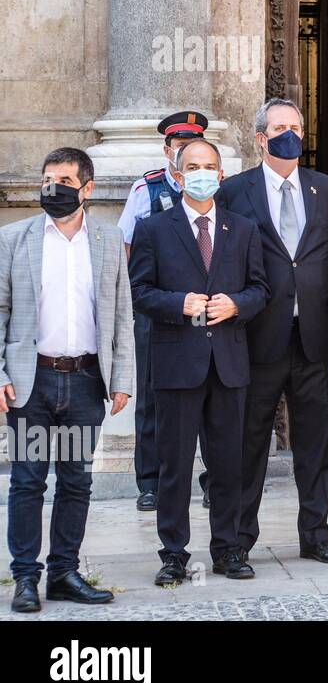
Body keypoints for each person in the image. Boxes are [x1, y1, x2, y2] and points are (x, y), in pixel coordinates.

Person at [129, 138, 269, 583]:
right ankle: (173, 553)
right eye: (193, 166)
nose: (202, 173)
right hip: (176, 366)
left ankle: (229, 549)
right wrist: (179, 304)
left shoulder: (243, 229)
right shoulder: (154, 229)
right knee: (174, 465)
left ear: (221, 174)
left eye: (209, 165)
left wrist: (237, 306)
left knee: (229, 464)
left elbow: (261, 289)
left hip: (228, 366)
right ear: (178, 171)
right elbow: (140, 291)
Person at [0, 149, 133, 612]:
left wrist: (122, 379)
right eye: (46, 178)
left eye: (63, 179)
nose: (52, 187)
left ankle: (64, 572)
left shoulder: (108, 240)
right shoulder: (14, 239)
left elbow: (120, 315)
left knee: (76, 481)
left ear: (87, 188)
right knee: (28, 481)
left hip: (82, 383)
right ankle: (24, 577)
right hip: (31, 381)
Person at [215, 98, 328, 565]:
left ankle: (316, 535)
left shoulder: (327, 188)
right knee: (249, 443)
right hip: (257, 337)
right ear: (260, 137)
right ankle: (236, 542)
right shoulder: (234, 192)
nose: (289, 134)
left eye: (296, 126)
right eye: (279, 127)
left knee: (316, 443)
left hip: (313, 337)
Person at [118, 110, 210, 512]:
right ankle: (151, 482)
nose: (186, 152)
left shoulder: (213, 186)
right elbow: (126, 247)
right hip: (158, 309)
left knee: (213, 395)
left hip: (207, 308)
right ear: (168, 149)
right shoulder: (147, 188)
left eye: (194, 144)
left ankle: (211, 480)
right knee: (153, 396)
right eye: (180, 145)